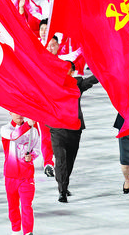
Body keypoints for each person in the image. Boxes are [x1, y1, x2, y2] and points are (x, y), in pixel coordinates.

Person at [49, 63, 98, 203]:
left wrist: (103, 71)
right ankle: (62, 191)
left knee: (70, 160)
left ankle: (63, 184)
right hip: (57, 128)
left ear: (72, 72)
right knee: (61, 160)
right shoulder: (50, 83)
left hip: (74, 128)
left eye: (67, 69)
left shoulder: (77, 83)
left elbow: (92, 80)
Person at [2, 112, 39, 235]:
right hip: (10, 176)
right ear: (10, 112)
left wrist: (32, 156)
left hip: (27, 177)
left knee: (26, 206)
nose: (19, 114)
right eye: (15, 112)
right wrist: (28, 125)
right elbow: (14, 136)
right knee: (13, 207)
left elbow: (37, 149)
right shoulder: (5, 129)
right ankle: (16, 231)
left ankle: (28, 232)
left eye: (21, 112)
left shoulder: (33, 130)